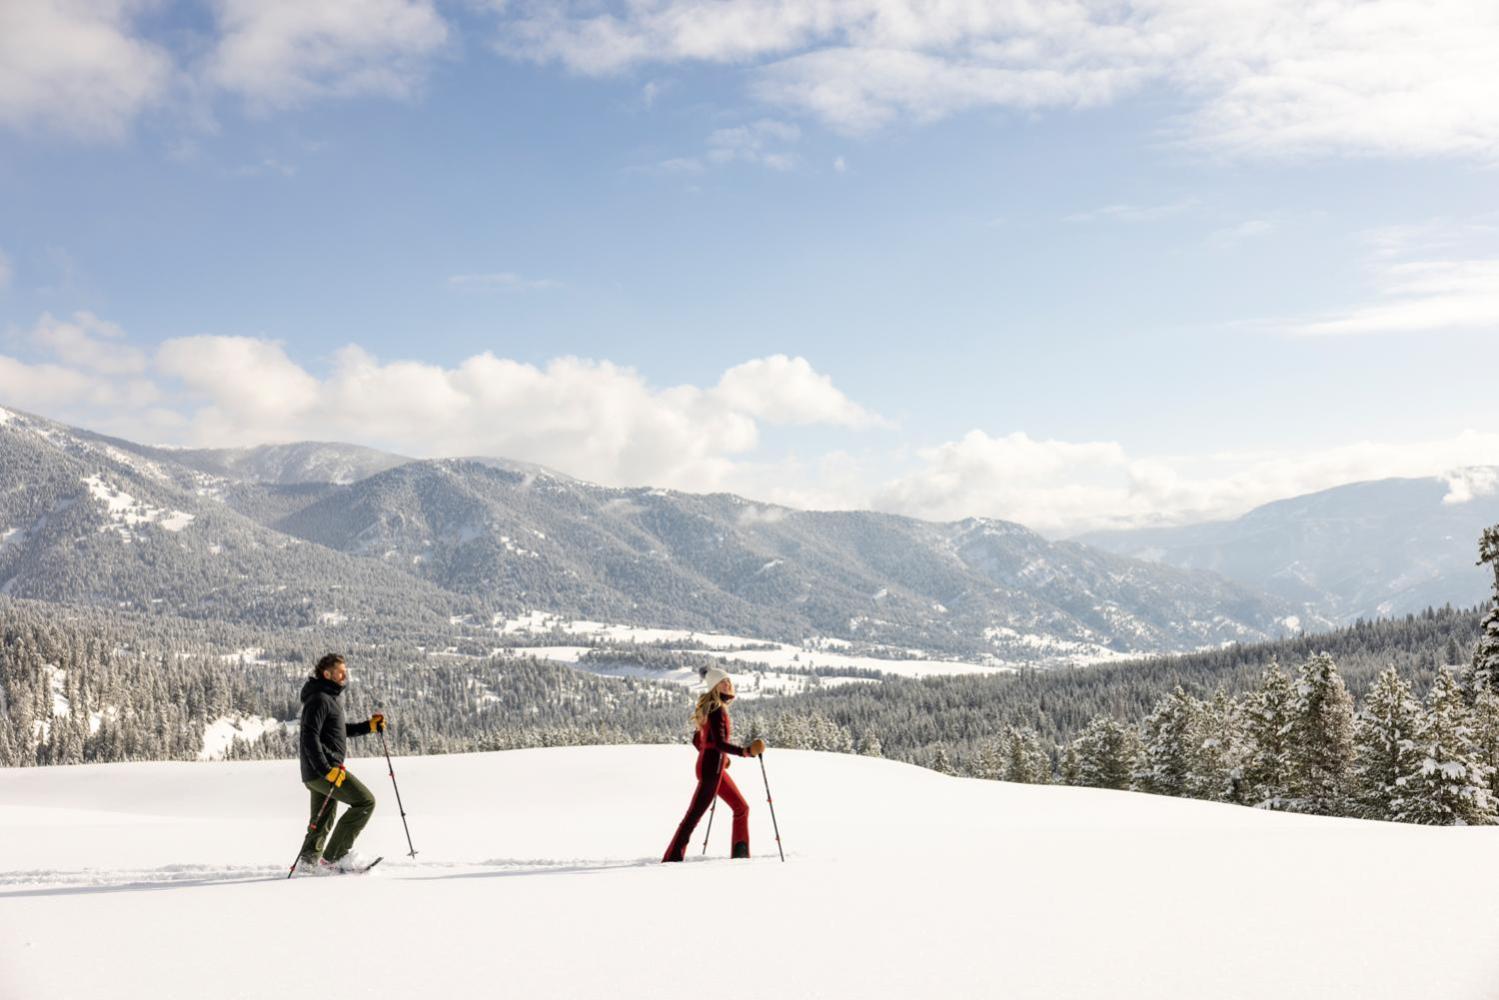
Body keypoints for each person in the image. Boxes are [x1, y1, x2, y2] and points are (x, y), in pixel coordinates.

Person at [662, 666, 765, 862]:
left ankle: (740, 855)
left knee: (741, 807)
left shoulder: (711, 708)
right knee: (693, 817)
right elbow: (718, 743)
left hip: (711, 766)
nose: (727, 684)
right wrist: (746, 752)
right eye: (722, 682)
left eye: (728, 681)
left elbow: (698, 740)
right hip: (711, 769)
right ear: (714, 687)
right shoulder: (717, 709)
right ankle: (672, 858)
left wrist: (720, 757)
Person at [295, 653, 386, 873]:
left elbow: (338, 730)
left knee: (323, 817)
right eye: (340, 671)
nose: (344, 675)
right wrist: (327, 771)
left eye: (345, 670)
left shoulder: (327, 697)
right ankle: (334, 858)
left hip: (316, 773)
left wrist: (368, 727)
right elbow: (309, 737)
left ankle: (308, 862)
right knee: (365, 802)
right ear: (327, 674)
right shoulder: (319, 699)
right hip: (323, 771)